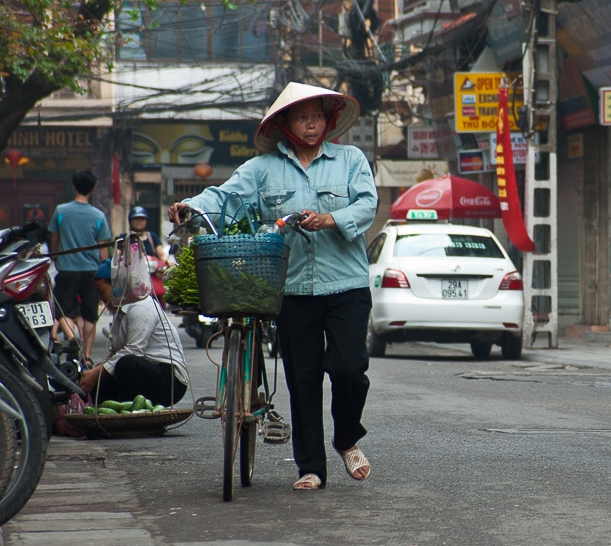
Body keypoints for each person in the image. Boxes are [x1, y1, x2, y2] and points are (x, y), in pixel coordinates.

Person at [168, 82, 377, 491]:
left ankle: (346, 437)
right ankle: (311, 468)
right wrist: (191, 208)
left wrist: (330, 219)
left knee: (350, 370)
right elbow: (225, 197)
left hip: (346, 284)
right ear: (284, 124)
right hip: (292, 288)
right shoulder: (263, 168)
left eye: (317, 116)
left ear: (328, 119)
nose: (312, 124)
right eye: (302, 117)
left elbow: (367, 205)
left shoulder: (350, 159)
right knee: (303, 377)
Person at [78, 259, 189, 407]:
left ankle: (132, 413)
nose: (101, 299)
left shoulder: (141, 305)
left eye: (101, 292)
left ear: (116, 285)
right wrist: (95, 374)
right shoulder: (120, 311)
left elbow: (134, 350)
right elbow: (115, 353)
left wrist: (97, 372)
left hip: (169, 380)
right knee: (97, 385)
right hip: (143, 372)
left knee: (126, 364)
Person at [49, 169, 113, 367]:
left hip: (67, 269)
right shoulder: (99, 215)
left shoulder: (61, 211)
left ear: (74, 186)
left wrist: (56, 258)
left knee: (64, 310)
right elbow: (102, 248)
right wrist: (104, 271)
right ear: (93, 188)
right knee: (89, 314)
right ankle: (86, 356)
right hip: (91, 272)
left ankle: (70, 337)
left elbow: (54, 238)